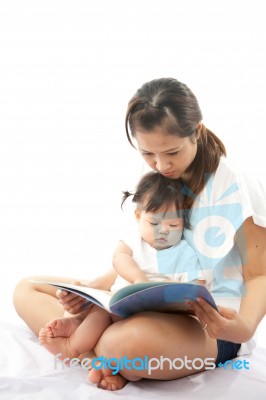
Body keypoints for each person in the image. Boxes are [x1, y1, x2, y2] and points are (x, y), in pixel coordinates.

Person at [13, 78, 266, 391]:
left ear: (196, 131)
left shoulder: (234, 186)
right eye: (148, 154)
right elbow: (141, 253)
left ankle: (103, 354)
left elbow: (259, 273)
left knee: (125, 341)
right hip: (147, 311)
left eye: (172, 151)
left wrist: (244, 328)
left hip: (209, 328)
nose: (161, 164)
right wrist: (93, 289)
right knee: (28, 289)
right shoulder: (162, 178)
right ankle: (105, 361)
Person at [38, 171, 205, 360]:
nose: (163, 231)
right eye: (154, 222)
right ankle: (74, 337)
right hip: (118, 307)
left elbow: (196, 290)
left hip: (155, 318)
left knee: (113, 326)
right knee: (100, 311)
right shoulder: (133, 241)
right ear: (138, 216)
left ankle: (77, 344)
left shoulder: (184, 253)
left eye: (174, 225)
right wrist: (138, 279)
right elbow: (119, 258)